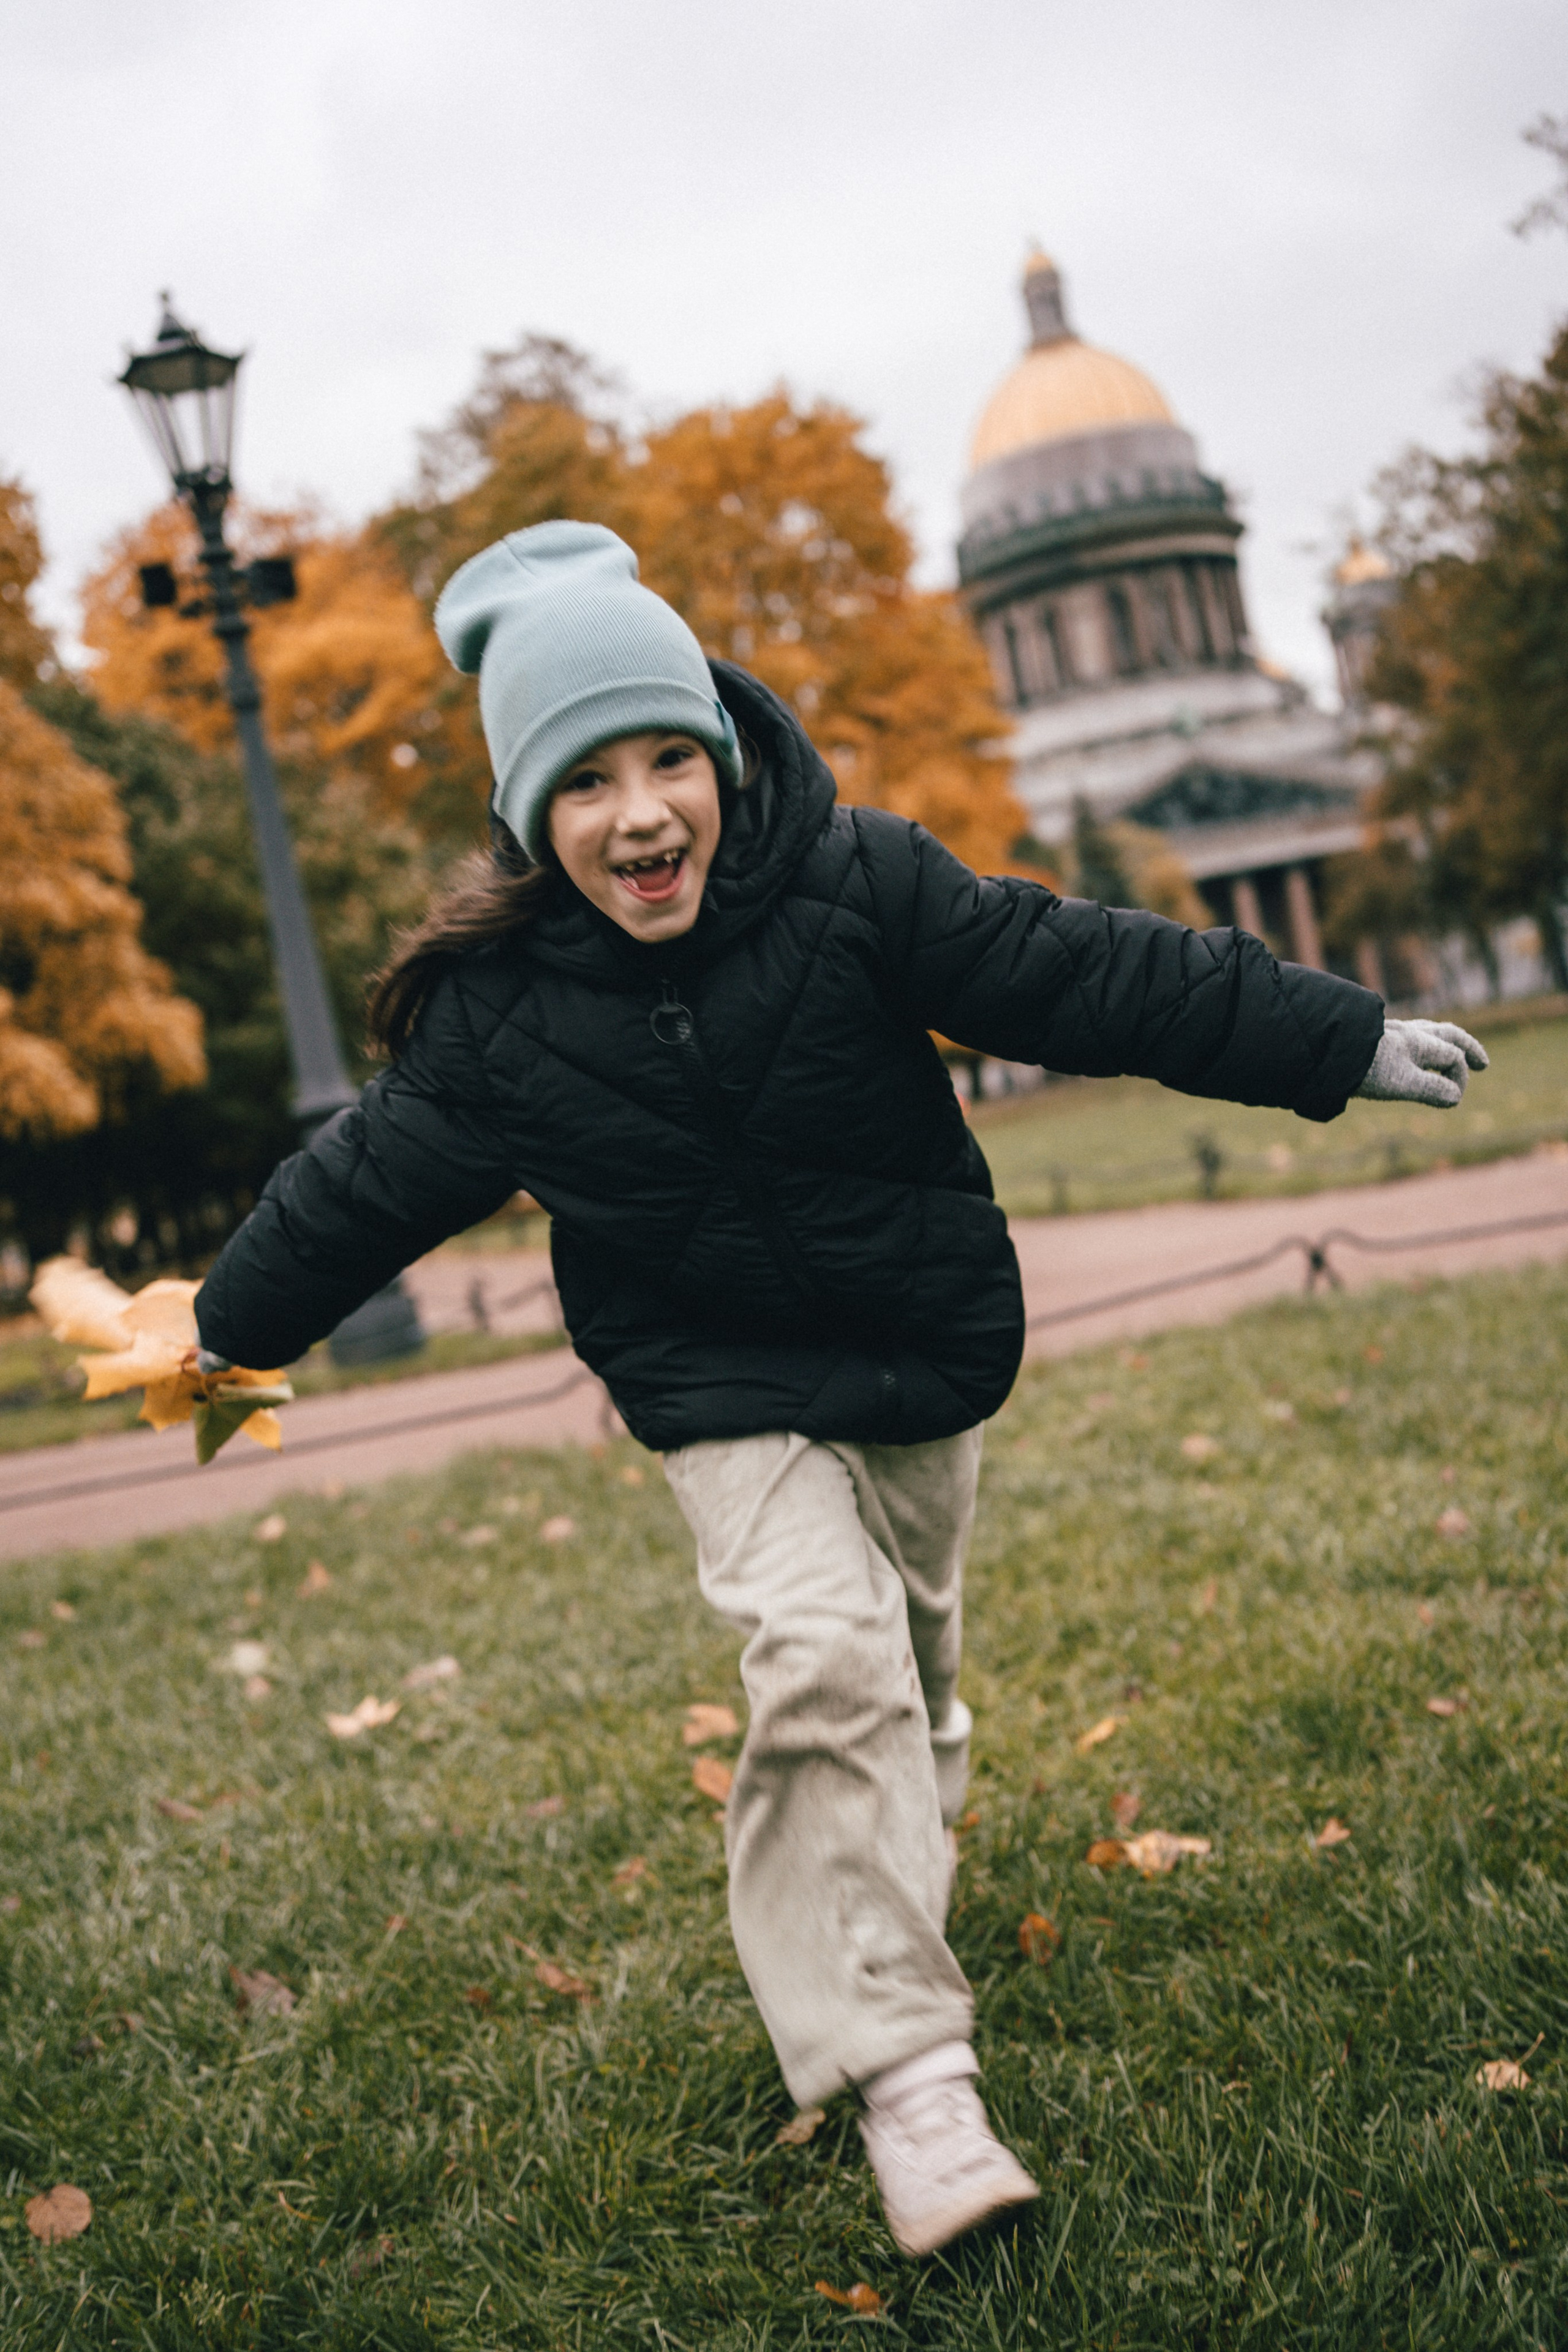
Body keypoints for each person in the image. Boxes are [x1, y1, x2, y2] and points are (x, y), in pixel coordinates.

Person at [194, 520, 1488, 2257]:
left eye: (670, 758)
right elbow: (357, 1187)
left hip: (911, 1347)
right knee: (820, 1652)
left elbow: (1086, 969)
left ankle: (906, 1814)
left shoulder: (862, 882)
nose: (639, 811)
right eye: (585, 781)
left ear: (726, 756)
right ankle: (910, 2080)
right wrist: (227, 1330)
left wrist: (1334, 1041)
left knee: (916, 1670)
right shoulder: (497, 1022)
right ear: (528, 819)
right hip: (715, 1382)